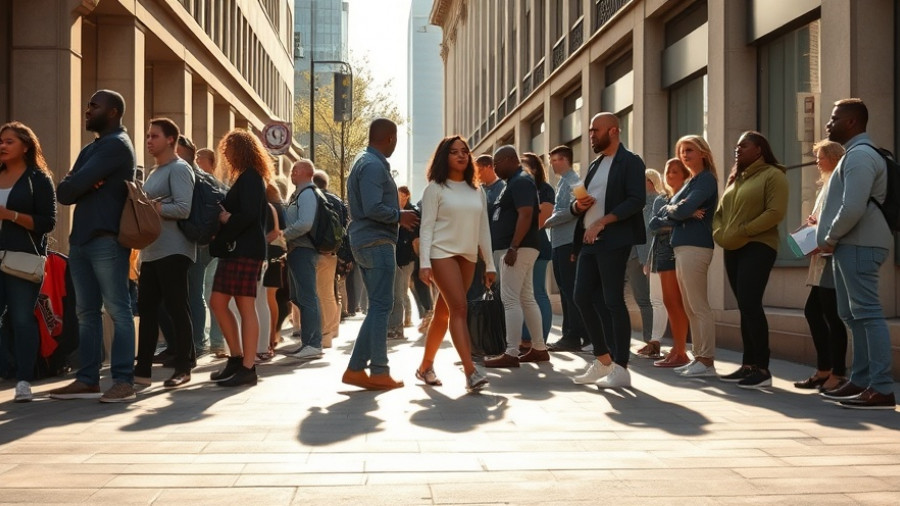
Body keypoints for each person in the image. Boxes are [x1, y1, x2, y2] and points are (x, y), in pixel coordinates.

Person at [51, 89, 137, 403]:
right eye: (88, 105)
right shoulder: (94, 148)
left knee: (118, 310)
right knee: (86, 313)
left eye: (94, 105)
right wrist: (82, 182)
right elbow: (65, 191)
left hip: (107, 240)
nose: (88, 110)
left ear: (112, 111)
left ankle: (124, 381)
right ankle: (87, 380)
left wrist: (79, 183)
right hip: (83, 239)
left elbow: (72, 187)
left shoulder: (116, 145)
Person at [817, 98, 895, 410]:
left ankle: (882, 386)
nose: (828, 124)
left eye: (834, 118)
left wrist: (830, 237)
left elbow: (853, 206)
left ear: (851, 122)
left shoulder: (861, 156)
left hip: (859, 243)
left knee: (868, 313)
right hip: (850, 244)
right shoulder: (854, 155)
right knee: (852, 314)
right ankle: (862, 380)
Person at [570, 113, 646, 388]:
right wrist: (578, 207)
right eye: (590, 130)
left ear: (613, 131)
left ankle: (621, 367)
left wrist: (603, 221)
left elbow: (636, 200)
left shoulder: (630, 162)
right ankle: (603, 360)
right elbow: (584, 204)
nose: (591, 135)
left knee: (613, 300)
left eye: (595, 130)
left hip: (614, 239)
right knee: (581, 297)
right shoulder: (595, 164)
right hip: (589, 241)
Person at [342, 118, 418, 390]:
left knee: (377, 306)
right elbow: (374, 207)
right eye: (396, 139)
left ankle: (356, 369)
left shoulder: (365, 161)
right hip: (376, 242)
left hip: (366, 241)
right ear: (390, 138)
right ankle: (378, 371)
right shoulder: (373, 165)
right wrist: (400, 215)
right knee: (382, 306)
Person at [416, 135, 494, 391]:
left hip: (468, 255)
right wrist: (425, 262)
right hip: (441, 253)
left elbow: (484, 228)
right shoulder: (435, 189)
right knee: (460, 308)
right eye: (454, 152)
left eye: (464, 151)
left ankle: (425, 367)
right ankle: (471, 371)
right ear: (444, 157)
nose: (461, 155)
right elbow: (426, 228)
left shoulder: (476, 190)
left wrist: (490, 264)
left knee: (444, 312)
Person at [713, 131, 788, 389]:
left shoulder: (773, 175)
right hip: (732, 247)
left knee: (750, 303)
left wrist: (744, 231)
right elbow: (720, 213)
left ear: (759, 150)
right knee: (745, 306)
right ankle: (748, 365)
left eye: (743, 145)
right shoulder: (736, 179)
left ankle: (763, 369)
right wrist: (719, 233)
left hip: (759, 245)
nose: (737, 149)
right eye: (736, 145)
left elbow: (775, 212)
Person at [133, 118, 196, 389]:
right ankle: (142, 372)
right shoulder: (154, 172)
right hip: (151, 251)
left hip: (174, 250)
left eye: (154, 136)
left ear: (171, 139)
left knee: (176, 308)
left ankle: (184, 367)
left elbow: (184, 208)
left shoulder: (180, 168)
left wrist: (153, 207)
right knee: (147, 312)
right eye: (148, 136)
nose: (149, 140)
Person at [207, 129, 270, 387]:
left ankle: (248, 367)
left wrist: (227, 218)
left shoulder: (252, 178)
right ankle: (236, 358)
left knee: (245, 307)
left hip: (246, 249)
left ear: (241, 150)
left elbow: (250, 216)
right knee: (218, 302)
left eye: (229, 149)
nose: (226, 154)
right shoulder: (246, 178)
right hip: (236, 249)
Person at [0, 122, 57, 402]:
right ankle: (6, 366)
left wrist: (9, 215)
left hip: (21, 259)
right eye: (1, 141)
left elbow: (48, 222)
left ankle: (23, 380)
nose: (3, 145)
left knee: (22, 319)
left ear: (26, 146)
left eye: (9, 141)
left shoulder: (38, 179)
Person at [658, 135, 719, 379]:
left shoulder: (706, 180)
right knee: (690, 306)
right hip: (682, 246)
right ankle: (699, 357)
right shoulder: (690, 182)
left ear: (703, 153)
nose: (684, 154)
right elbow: (665, 212)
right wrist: (678, 210)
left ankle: (706, 360)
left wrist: (679, 210)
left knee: (698, 305)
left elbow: (679, 210)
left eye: (690, 150)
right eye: (682, 150)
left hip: (696, 246)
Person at [483, 145, 548, 368]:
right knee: (525, 298)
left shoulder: (521, 180)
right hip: (522, 248)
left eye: (497, 163)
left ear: (510, 159)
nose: (495, 168)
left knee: (510, 299)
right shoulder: (514, 182)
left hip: (518, 248)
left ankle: (511, 352)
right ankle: (539, 348)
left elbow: (526, 213)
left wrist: (513, 246)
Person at [794, 140, 848, 393]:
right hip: (821, 257)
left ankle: (837, 373)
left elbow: (841, 218)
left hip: (833, 257)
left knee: (831, 316)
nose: (817, 161)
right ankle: (825, 370)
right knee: (814, 312)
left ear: (835, 157)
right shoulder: (825, 184)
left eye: (821, 156)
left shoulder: (842, 181)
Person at [544, 145, 588, 352]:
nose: (552, 165)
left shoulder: (574, 181)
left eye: (554, 161)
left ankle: (574, 336)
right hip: (559, 243)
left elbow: (579, 207)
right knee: (565, 290)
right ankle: (572, 334)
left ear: (564, 160)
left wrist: (549, 220)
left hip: (569, 242)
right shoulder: (562, 182)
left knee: (570, 291)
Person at [648, 161, 691, 368]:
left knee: (681, 303)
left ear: (685, 175)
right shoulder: (661, 199)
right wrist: (680, 219)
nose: (669, 175)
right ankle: (676, 349)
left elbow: (681, 222)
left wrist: (676, 218)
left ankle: (681, 350)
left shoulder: (690, 197)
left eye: (675, 171)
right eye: (667, 171)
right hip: (663, 255)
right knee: (668, 302)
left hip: (681, 253)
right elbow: (654, 225)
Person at [283, 159, 324, 361]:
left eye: (294, 169)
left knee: (307, 297)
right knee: (301, 297)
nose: (291, 173)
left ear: (304, 172)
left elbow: (305, 223)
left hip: (303, 250)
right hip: (297, 250)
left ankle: (313, 344)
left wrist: (284, 235)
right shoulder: (299, 194)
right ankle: (308, 342)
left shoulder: (307, 193)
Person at [519, 153, 555, 352]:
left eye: (524, 166)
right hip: (522, 248)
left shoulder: (545, 189)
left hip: (538, 247)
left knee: (538, 291)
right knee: (525, 294)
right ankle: (526, 338)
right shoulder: (522, 188)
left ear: (535, 168)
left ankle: (540, 339)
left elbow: (543, 218)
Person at [195, 146, 228, 357]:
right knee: (203, 292)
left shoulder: (214, 186)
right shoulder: (217, 186)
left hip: (210, 246)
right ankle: (210, 341)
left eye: (201, 159)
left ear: (211, 163)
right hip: (206, 244)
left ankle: (213, 341)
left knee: (207, 292)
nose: (197, 162)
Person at [628, 166, 662, 359]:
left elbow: (652, 233)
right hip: (633, 256)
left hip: (645, 257)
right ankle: (649, 340)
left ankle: (652, 342)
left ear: (650, 182)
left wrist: (646, 259)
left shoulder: (657, 200)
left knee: (648, 300)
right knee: (642, 299)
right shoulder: (638, 204)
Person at [313, 169, 346, 347]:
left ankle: (325, 334)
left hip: (317, 251)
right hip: (333, 251)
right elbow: (343, 226)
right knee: (331, 292)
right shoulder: (337, 201)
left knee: (320, 293)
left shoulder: (315, 198)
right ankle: (332, 330)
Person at [467, 154, 505, 302]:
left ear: (490, 167)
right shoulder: (479, 189)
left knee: (496, 288)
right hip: (479, 248)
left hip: (496, 245)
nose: (477, 174)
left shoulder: (502, 187)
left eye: (479, 169)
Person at [388, 185, 418, 340]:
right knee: (399, 290)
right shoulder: (394, 211)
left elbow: (415, 237)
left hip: (406, 258)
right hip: (397, 257)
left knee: (402, 290)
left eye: (400, 195)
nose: (398, 198)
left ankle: (406, 320)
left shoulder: (410, 212)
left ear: (406, 195)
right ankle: (401, 321)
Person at [263, 180, 288, 353]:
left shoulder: (266, 208)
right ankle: (273, 336)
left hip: (268, 253)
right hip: (279, 253)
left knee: (267, 297)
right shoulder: (280, 207)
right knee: (273, 297)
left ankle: (269, 337)